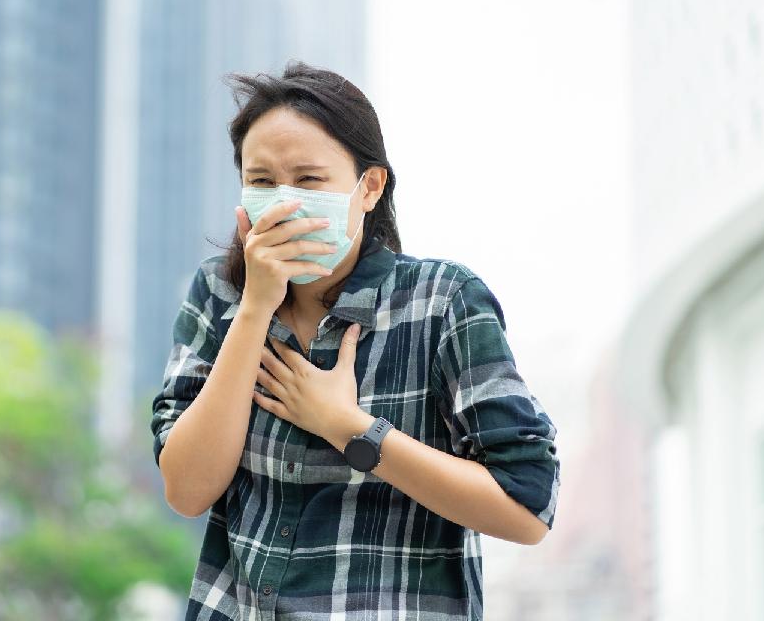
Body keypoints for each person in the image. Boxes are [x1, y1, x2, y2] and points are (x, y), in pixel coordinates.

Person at [150, 61, 561, 620]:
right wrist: (254, 309)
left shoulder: (443, 301)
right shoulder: (219, 293)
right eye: (263, 181)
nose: (285, 201)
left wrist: (349, 429)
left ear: (369, 187)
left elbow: (528, 505)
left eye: (309, 180)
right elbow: (186, 489)